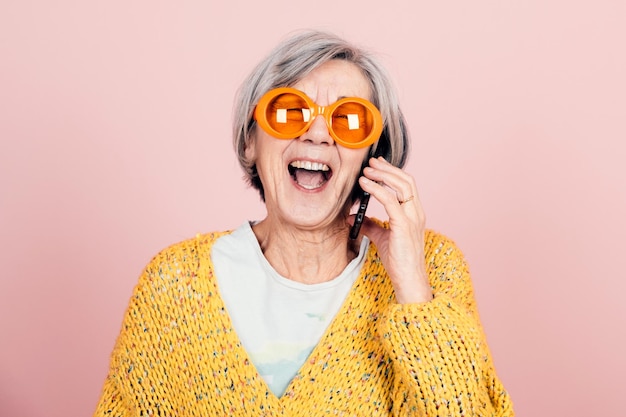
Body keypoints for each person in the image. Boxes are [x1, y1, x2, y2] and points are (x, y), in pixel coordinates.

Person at [94, 30, 514, 416]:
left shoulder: (432, 267)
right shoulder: (174, 284)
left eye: (349, 119)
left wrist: (414, 292)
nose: (317, 134)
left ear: (373, 156)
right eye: (289, 112)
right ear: (250, 141)